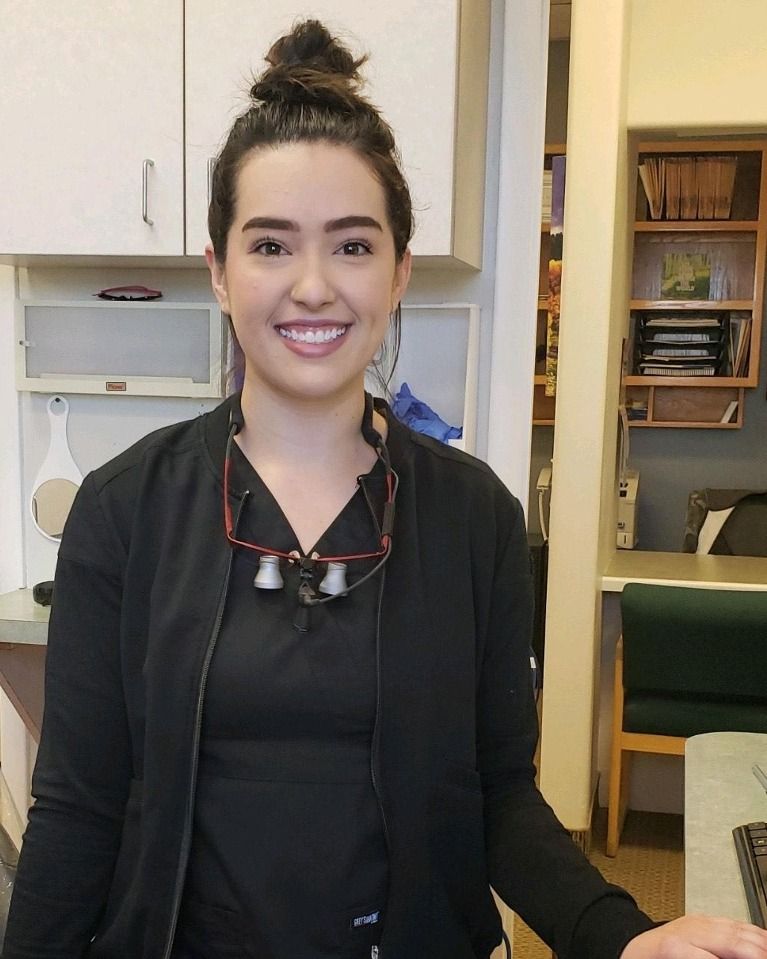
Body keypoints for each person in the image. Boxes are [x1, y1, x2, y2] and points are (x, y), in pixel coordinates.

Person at [3, 19, 767, 959]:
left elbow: (498, 793)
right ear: (219, 272)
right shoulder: (125, 511)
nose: (312, 286)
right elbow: (77, 811)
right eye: (271, 245)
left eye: (353, 246)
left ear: (400, 269)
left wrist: (618, 937)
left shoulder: (473, 517)